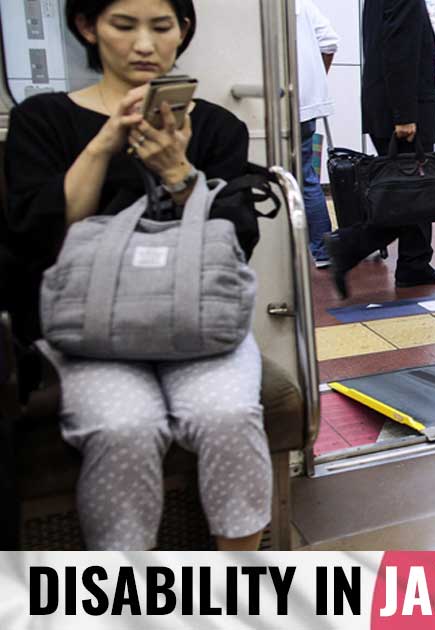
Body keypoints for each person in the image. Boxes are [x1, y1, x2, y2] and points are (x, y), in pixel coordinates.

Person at [1, 0, 270, 550]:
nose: (143, 44)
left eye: (161, 26)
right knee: (125, 427)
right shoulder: (43, 119)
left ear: (183, 32)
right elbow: (37, 236)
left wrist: (178, 171)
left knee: (229, 413)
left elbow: (236, 238)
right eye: (124, 26)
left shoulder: (217, 128)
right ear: (87, 28)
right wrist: (105, 142)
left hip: (198, 320)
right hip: (89, 329)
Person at [325, 0, 435, 298]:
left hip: (385, 104)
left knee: (414, 188)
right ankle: (347, 246)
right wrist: (405, 115)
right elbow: (400, 50)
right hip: (403, 112)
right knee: (415, 193)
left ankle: (414, 264)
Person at [296, 0, 338, 268]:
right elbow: (330, 43)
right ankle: (323, 251)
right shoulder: (303, 5)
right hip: (306, 107)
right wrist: (314, 82)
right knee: (308, 178)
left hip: (272, 108)